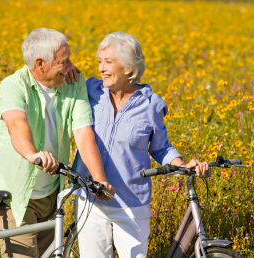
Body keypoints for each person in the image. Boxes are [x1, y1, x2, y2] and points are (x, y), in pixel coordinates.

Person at [73, 32, 209, 258]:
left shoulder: (150, 104)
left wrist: (182, 164)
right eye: (100, 62)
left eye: (108, 62)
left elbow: (160, 147)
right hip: (91, 200)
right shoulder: (90, 91)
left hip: (131, 204)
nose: (101, 69)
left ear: (128, 67)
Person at [0, 28, 115, 258]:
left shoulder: (72, 82)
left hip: (51, 195)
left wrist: (100, 179)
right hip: (16, 195)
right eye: (63, 61)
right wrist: (33, 154)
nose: (70, 66)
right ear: (40, 64)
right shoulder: (13, 85)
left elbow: (84, 134)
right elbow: (16, 124)